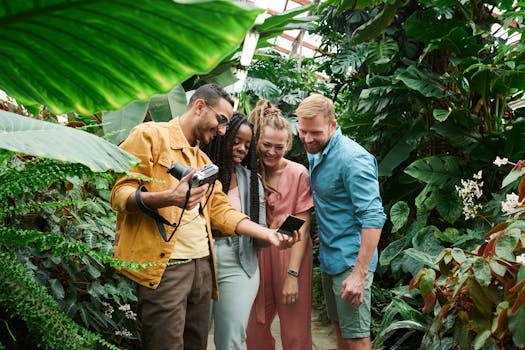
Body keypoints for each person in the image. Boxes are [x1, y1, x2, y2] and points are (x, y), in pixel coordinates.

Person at [110, 84, 297, 350]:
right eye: (221, 121)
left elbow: (221, 210)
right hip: (166, 269)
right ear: (199, 107)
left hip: (202, 267)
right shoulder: (149, 135)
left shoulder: (201, 160)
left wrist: (267, 233)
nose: (222, 131)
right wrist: (167, 197)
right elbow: (120, 193)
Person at [295, 94, 387, 350]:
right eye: (302, 131)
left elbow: (373, 217)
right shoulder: (318, 151)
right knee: (341, 333)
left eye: (315, 132)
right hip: (330, 256)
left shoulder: (352, 159)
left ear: (333, 125)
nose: (307, 139)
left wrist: (359, 274)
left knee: (356, 340)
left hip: (351, 261)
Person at [246, 100, 314, 350]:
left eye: (279, 146)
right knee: (253, 328)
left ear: (288, 145)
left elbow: (303, 226)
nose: (272, 152)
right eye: (266, 145)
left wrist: (292, 275)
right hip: (256, 252)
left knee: (295, 332)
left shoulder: (298, 173)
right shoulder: (249, 172)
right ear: (256, 143)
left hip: (290, 254)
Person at [202, 112, 267, 349]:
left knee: (231, 339)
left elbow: (260, 231)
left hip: (238, 261)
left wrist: (276, 236)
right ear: (221, 137)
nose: (242, 149)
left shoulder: (252, 180)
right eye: (236, 141)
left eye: (247, 145)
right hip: (199, 259)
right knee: (193, 336)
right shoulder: (199, 172)